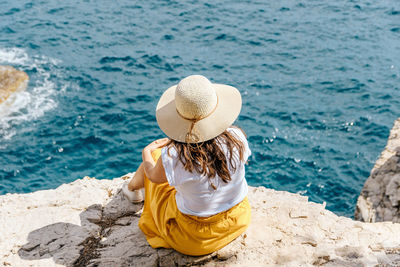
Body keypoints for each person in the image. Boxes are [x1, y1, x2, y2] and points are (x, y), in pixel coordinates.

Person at [121, 75, 251, 256]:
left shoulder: (175, 155)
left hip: (194, 239)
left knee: (156, 156)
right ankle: (132, 189)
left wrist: (146, 152)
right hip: (237, 220)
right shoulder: (237, 137)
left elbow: (153, 176)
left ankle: (132, 189)